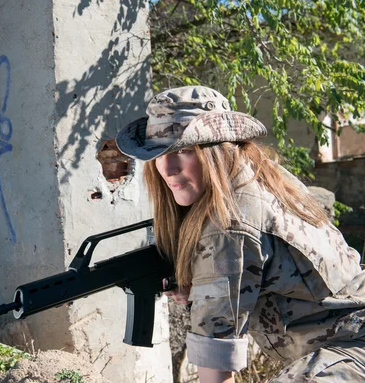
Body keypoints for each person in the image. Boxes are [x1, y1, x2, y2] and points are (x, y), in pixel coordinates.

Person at [115, 86, 365, 382]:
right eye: (159, 154)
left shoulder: (228, 227)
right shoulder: (262, 174)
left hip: (351, 347)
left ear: (218, 151)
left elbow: (216, 373)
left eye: (184, 150)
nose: (167, 168)